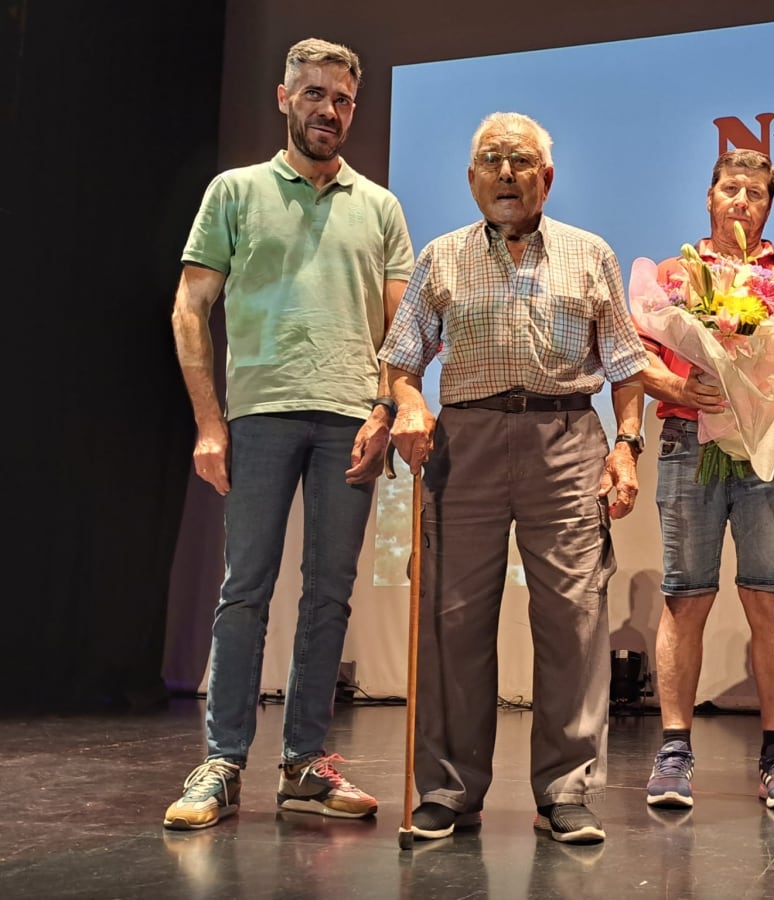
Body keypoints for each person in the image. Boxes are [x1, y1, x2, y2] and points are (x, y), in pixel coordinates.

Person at [165, 38, 414, 830]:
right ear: (283, 98)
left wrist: (385, 408)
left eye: (342, 100)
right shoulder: (234, 191)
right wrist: (209, 422)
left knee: (330, 596)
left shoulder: (379, 206)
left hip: (351, 420)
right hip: (261, 415)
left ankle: (305, 764)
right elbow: (188, 310)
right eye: (314, 95)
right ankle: (222, 763)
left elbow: (400, 326)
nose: (329, 111)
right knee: (245, 591)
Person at [379, 111, 647, 845]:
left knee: (573, 619)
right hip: (463, 443)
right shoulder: (440, 257)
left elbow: (625, 367)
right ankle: (448, 790)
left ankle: (565, 791)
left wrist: (626, 446)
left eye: (520, 161)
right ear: (471, 178)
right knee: (453, 619)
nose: (505, 172)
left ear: (546, 178)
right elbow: (401, 362)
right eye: (490, 160)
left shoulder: (590, 254)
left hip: (565, 438)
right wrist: (406, 403)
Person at [638, 149, 774, 813]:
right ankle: (673, 751)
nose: (741, 201)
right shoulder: (671, 275)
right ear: (709, 197)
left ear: (770, 205)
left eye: (755, 193)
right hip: (686, 442)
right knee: (684, 597)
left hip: (769, 452)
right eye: (730, 189)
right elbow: (634, 358)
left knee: (767, 599)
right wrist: (675, 383)